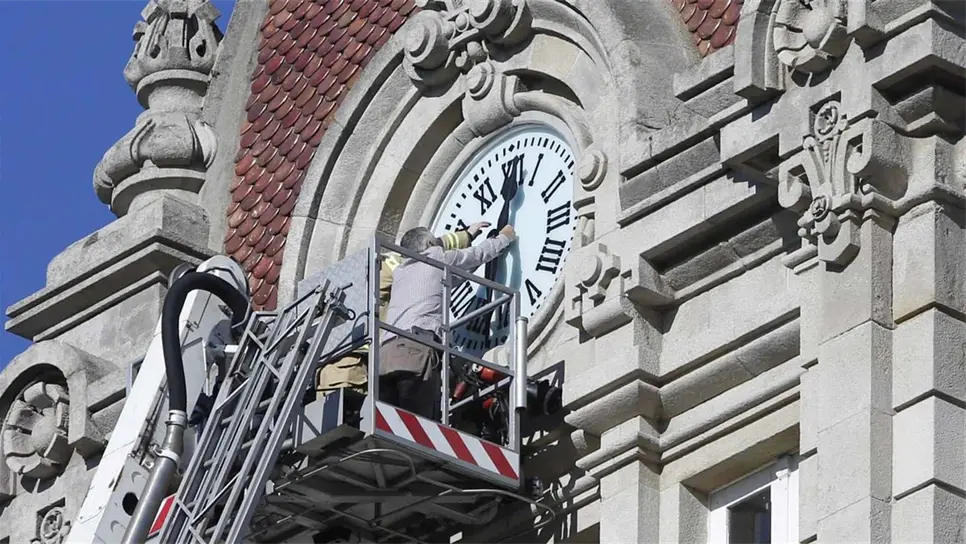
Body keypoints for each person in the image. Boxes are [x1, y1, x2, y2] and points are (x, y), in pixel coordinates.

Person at [315, 223, 491, 399]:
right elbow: (420, 255)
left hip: (337, 373)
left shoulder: (340, 291)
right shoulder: (385, 266)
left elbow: (421, 251)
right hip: (355, 368)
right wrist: (465, 236)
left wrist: (465, 236)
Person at [379, 224, 516, 418]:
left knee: (389, 420)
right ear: (429, 244)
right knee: (419, 421)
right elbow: (477, 254)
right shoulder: (436, 257)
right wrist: (504, 238)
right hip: (415, 350)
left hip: (385, 356)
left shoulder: (401, 273)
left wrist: (469, 237)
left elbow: (452, 277)